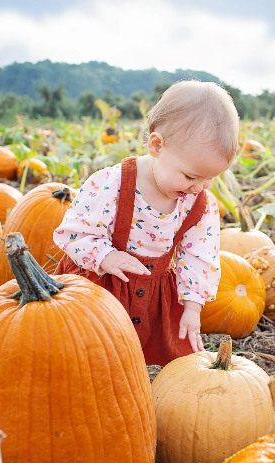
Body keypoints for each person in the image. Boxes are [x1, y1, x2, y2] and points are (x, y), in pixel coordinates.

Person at [53, 80, 239, 366]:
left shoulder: (200, 205)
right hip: (102, 285)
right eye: (191, 177)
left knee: (153, 364)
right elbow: (74, 233)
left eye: (209, 178)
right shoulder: (112, 184)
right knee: (86, 356)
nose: (198, 187)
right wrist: (106, 256)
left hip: (153, 299)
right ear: (156, 145)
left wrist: (192, 307)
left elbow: (200, 258)